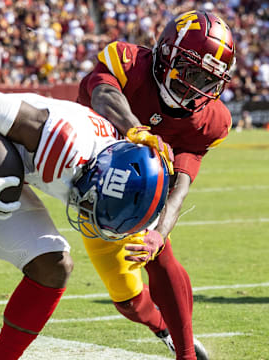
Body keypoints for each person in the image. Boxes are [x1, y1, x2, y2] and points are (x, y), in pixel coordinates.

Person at [0, 86, 172, 359]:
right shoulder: (65, 141)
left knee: (52, 266)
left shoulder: (121, 166)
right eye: (93, 202)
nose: (87, 209)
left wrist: (155, 235)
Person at [77, 10, 236, 360]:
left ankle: (185, 354)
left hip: (128, 192)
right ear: (166, 55)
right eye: (191, 72)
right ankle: (160, 325)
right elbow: (102, 93)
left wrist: (159, 232)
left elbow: (180, 184)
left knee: (155, 259)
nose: (197, 87)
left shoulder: (210, 120)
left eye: (208, 79)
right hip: (77, 164)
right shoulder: (129, 62)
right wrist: (135, 128)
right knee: (129, 301)